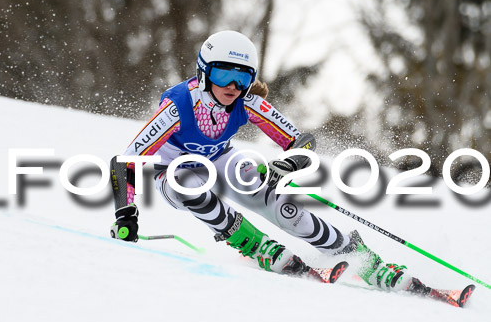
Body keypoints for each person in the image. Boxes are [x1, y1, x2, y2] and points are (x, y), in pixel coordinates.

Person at [109, 30, 416, 291]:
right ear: (204, 73)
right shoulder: (177, 107)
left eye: (242, 77)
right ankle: (253, 244)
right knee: (189, 188)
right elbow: (126, 161)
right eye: (222, 74)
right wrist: (126, 213)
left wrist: (290, 163)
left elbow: (302, 142)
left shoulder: (247, 101)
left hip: (220, 158)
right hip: (173, 170)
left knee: (276, 201)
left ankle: (358, 255)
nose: (232, 85)